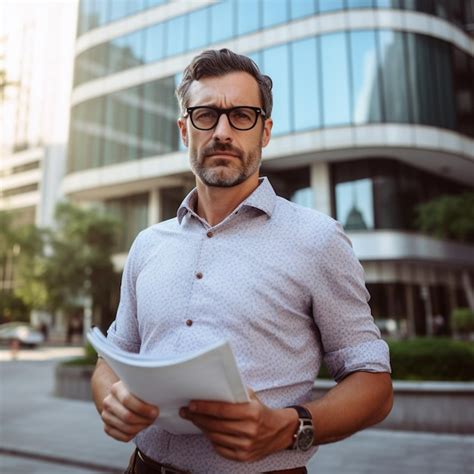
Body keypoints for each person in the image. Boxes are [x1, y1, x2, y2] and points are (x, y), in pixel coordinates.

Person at [91, 48, 393, 474]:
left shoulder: (317, 238)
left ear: (265, 131)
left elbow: (374, 384)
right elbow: (112, 357)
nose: (222, 131)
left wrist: (291, 426)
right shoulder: (147, 244)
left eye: (242, 116)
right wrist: (111, 399)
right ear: (184, 130)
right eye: (206, 115)